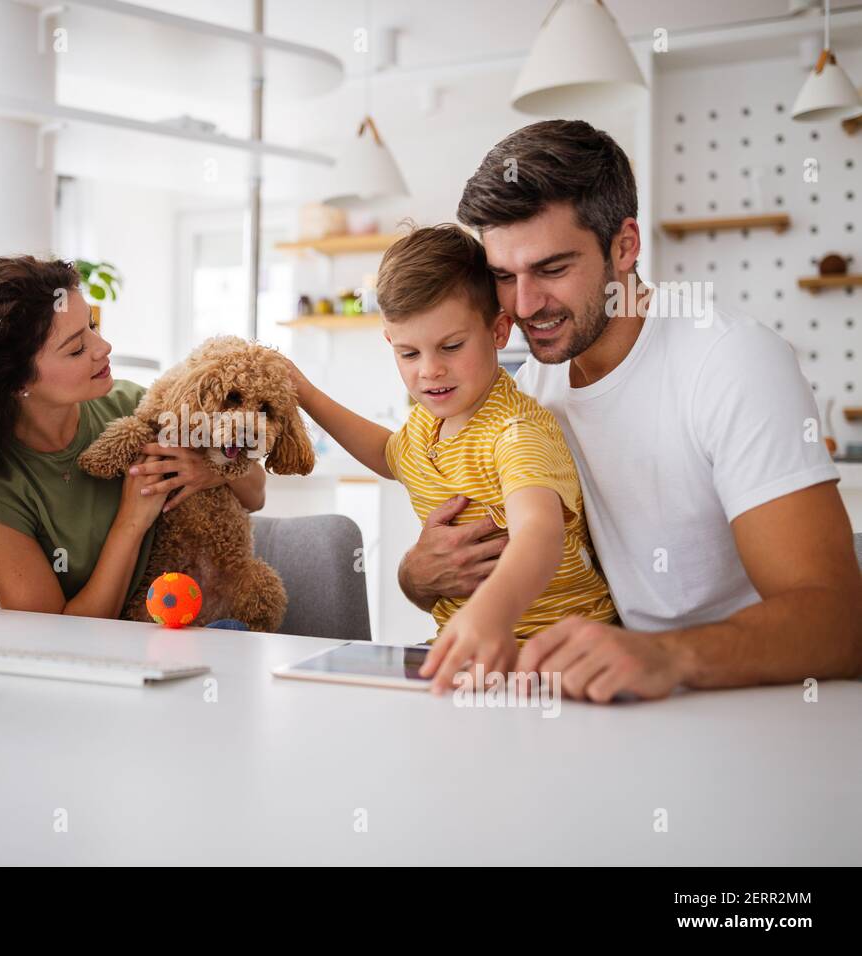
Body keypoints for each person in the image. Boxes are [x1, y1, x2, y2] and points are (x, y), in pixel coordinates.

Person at [398, 119, 862, 701]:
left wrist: (665, 655)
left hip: (752, 703)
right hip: (607, 701)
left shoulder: (731, 361)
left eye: (552, 269)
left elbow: (839, 624)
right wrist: (417, 577)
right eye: (502, 277)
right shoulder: (534, 383)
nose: (523, 304)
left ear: (625, 245)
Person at [288, 224, 615, 690]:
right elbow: (387, 453)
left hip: (561, 656)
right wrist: (304, 393)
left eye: (451, 346)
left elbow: (540, 534)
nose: (430, 370)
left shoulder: (515, 431)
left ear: (499, 331)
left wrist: (488, 613)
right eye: (409, 352)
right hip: (475, 652)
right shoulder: (425, 425)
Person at [0, 255, 265, 618]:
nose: (103, 348)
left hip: (203, 621)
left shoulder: (136, 404)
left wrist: (209, 468)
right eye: (76, 349)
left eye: (92, 326)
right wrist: (131, 522)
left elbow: (256, 493)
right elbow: (58, 635)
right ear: (18, 382)